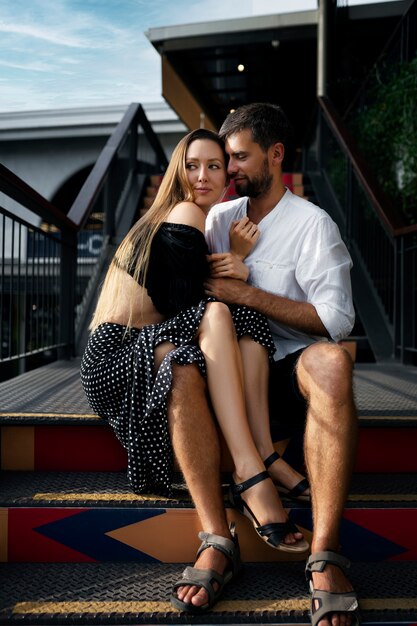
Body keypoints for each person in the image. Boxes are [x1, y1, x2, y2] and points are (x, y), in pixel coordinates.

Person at [80, 128, 308, 615]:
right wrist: (239, 261)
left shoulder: (197, 220)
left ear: (228, 174)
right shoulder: (184, 213)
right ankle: (252, 473)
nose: (202, 176)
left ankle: (261, 459)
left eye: (214, 166)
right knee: (221, 315)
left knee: (242, 316)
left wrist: (235, 269)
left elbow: (193, 306)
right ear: (177, 172)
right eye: (192, 165)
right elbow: (193, 305)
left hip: (150, 343)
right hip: (114, 356)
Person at [204, 103, 360, 626]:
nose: (231, 169)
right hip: (226, 373)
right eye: (227, 158)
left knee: (335, 363)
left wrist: (246, 293)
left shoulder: (314, 226)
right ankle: (219, 537)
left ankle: (325, 553)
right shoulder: (218, 219)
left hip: (288, 369)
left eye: (241, 157)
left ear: (276, 155)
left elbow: (336, 319)